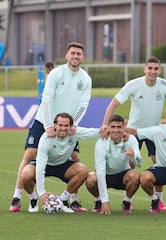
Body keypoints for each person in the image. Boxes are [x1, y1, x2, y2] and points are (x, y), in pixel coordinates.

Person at [9, 42, 92, 213]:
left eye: (79, 54)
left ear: (82, 57)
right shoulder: (56, 73)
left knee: (75, 157)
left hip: (67, 125)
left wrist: (72, 124)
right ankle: (17, 196)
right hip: (44, 122)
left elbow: (84, 104)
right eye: (73, 53)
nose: (76, 56)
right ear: (67, 55)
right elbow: (47, 99)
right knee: (30, 154)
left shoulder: (86, 79)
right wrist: (48, 124)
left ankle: (72, 200)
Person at [100, 56, 166, 211]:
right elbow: (113, 104)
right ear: (145, 69)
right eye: (150, 68)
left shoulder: (164, 85)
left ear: (159, 70)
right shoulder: (134, 84)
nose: (153, 72)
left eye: (156, 69)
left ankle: (158, 201)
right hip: (134, 131)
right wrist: (105, 124)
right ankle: (127, 199)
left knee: (159, 165)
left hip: (154, 132)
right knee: (129, 164)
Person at [20, 113, 100, 213]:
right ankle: (33, 198)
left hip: (63, 164)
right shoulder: (46, 139)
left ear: (71, 126)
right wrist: (42, 193)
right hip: (46, 164)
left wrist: (110, 131)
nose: (63, 128)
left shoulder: (75, 133)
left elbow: (94, 132)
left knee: (83, 170)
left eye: (66, 125)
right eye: (60, 125)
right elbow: (40, 167)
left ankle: (63, 199)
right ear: (55, 125)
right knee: (25, 174)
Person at [86, 114, 143, 214]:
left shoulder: (131, 139)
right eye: (113, 127)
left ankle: (127, 201)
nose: (116, 130)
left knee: (135, 176)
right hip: (106, 174)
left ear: (124, 127)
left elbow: (139, 163)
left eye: (119, 127)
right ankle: (99, 200)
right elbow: (100, 172)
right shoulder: (102, 143)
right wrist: (105, 201)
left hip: (123, 175)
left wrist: (133, 155)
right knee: (90, 179)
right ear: (108, 127)